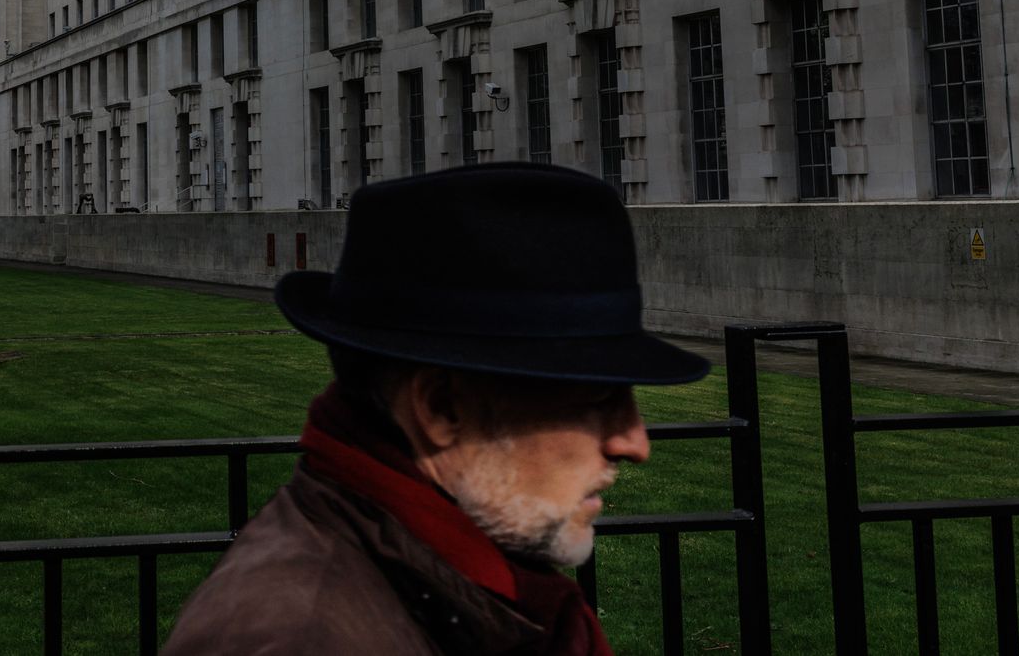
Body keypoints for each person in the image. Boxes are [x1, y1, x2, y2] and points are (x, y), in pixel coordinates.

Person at [162, 162, 709, 655]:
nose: (634, 443)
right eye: (596, 398)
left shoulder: (467, 586)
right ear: (442, 409)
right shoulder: (300, 634)